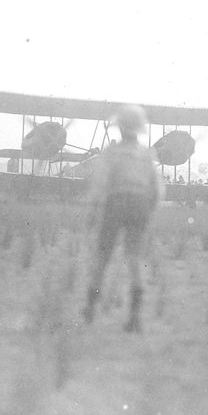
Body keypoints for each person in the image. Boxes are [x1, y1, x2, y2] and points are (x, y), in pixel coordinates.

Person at [82, 104, 163, 333]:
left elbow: (100, 185)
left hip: (116, 202)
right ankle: (135, 315)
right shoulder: (147, 155)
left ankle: (90, 306)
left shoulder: (112, 153)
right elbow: (156, 189)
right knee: (135, 258)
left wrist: (92, 211)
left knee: (102, 256)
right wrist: (149, 211)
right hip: (140, 205)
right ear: (139, 129)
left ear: (120, 128)